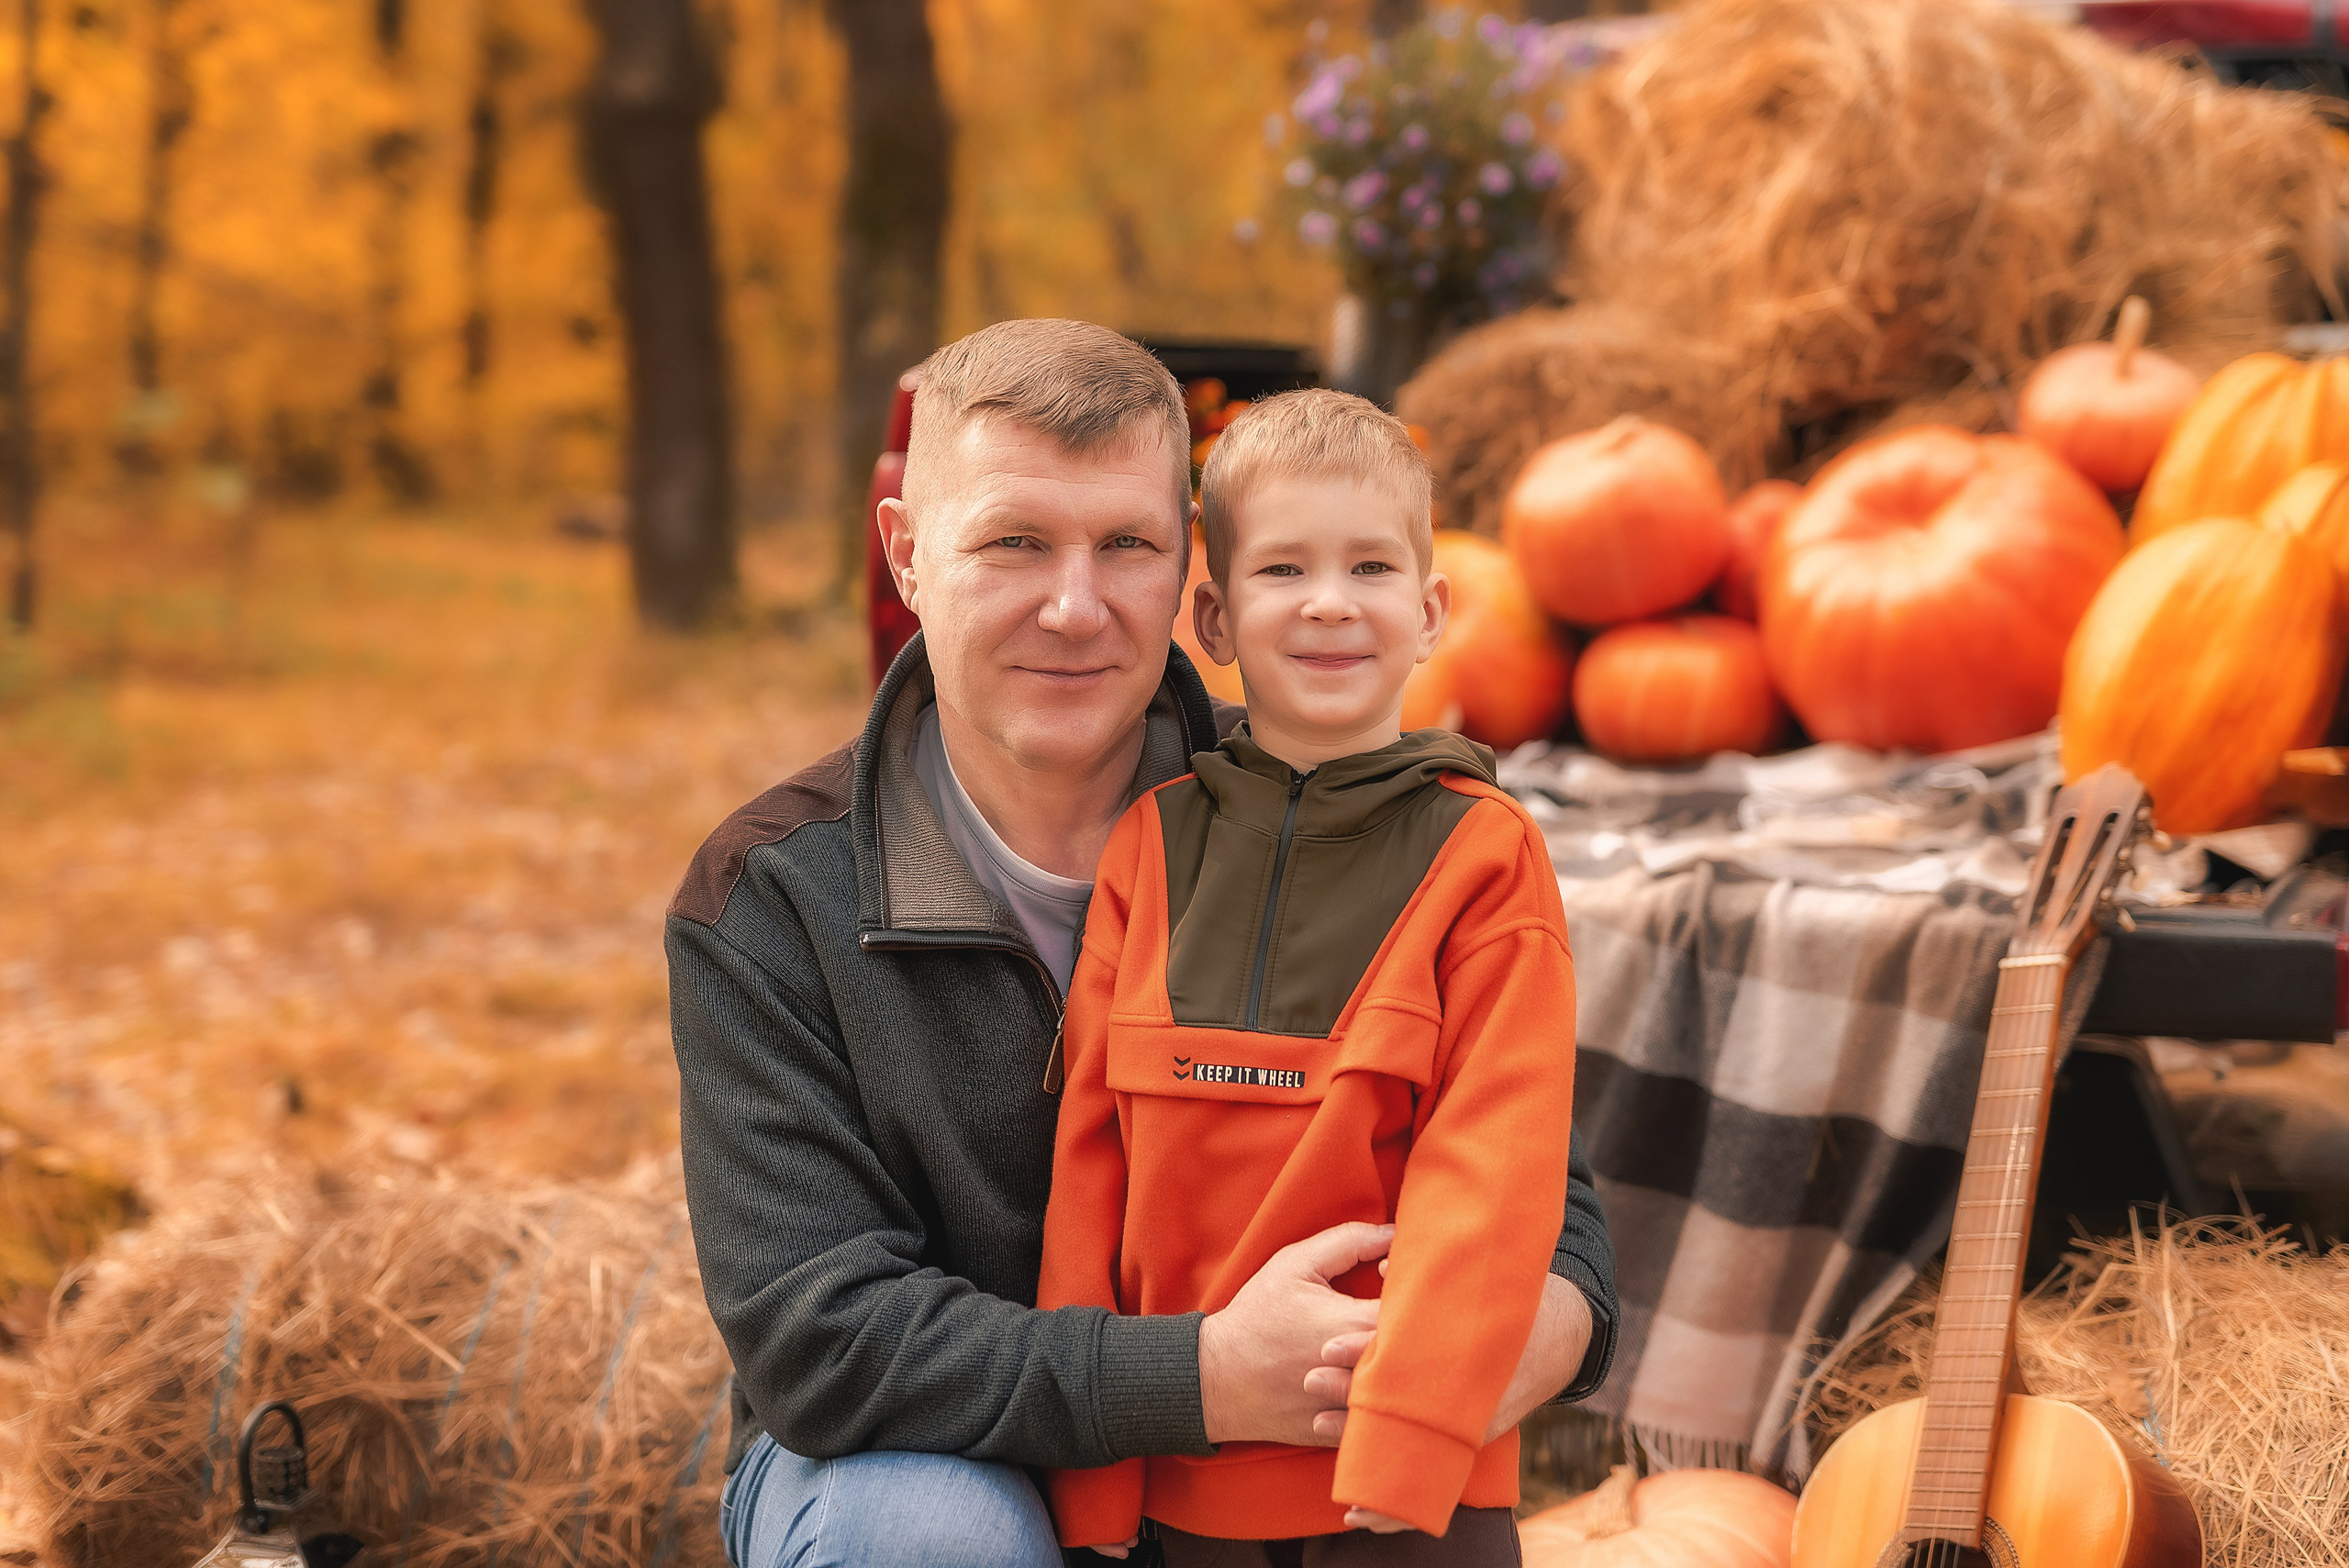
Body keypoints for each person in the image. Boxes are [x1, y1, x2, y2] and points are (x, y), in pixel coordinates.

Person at [667, 319, 1617, 1568]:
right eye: (1014, 542)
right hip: (917, 1449)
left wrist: (1442, 1372)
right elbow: (824, 1340)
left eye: (1126, 545)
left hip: (1290, 1469)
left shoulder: (1349, 820)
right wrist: (1204, 1376)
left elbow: (1548, 1193)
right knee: (926, 1543)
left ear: (1190, 575)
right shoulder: (772, 896)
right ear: (907, 553)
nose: (1075, 606)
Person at [1039, 391, 1575, 1566]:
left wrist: (1416, 1427)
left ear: (1431, 613)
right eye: (1284, 568)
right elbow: (1091, 1158)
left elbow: (1492, 1158)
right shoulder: (1151, 845)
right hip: (1186, 1483)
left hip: (1402, 1485)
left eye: (1371, 565)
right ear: (1216, 618)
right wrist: (1091, 1478)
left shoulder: (1484, 852)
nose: (1331, 601)